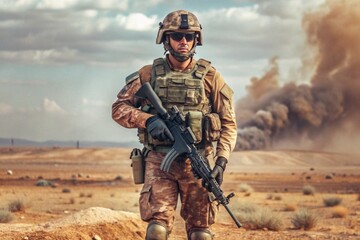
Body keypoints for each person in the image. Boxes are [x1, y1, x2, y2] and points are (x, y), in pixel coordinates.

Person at [112, 10, 237, 240]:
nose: (183, 42)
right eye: (177, 36)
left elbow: (229, 124)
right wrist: (148, 120)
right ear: (165, 38)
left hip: (196, 163)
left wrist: (221, 161)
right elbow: (118, 109)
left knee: (201, 233)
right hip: (160, 163)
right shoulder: (148, 74)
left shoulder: (211, 77)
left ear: (196, 40)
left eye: (189, 37)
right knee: (157, 230)